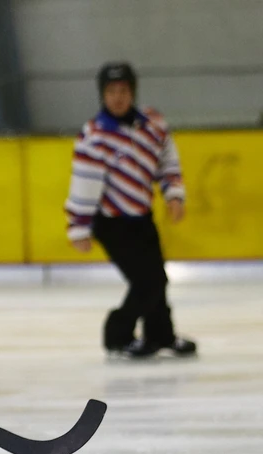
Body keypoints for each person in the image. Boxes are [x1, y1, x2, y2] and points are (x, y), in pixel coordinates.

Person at [65, 61, 197, 358]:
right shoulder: (95, 135)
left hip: (141, 217)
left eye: (123, 90)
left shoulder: (153, 124)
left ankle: (161, 336)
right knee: (147, 281)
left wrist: (173, 193)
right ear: (102, 94)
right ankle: (118, 337)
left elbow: (167, 159)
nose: (117, 97)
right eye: (111, 91)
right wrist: (79, 227)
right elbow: (83, 184)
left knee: (157, 279)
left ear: (133, 92)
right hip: (111, 223)